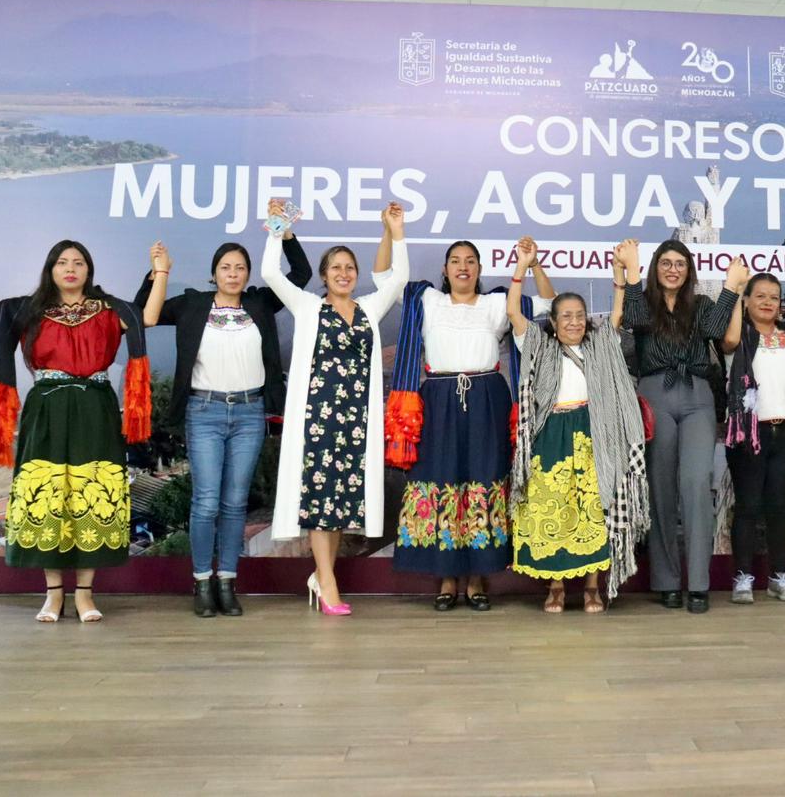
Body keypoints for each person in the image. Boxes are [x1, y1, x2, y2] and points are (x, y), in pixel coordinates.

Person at [0, 239, 169, 622]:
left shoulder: (107, 309)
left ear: (88, 270)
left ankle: (84, 594)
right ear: (51, 269)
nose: (70, 268)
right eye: (62, 262)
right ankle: (53, 595)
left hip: (95, 408)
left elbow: (146, 317)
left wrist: (162, 271)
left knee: (92, 492)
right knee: (47, 494)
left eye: (78, 262)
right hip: (45, 408)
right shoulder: (30, 310)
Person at [135, 199, 311, 617]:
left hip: (250, 413)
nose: (233, 274)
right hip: (205, 412)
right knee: (207, 500)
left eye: (240, 268)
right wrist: (158, 271)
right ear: (214, 272)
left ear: (248, 275)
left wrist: (284, 232)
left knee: (234, 503)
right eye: (226, 268)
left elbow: (301, 276)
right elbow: (148, 313)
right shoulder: (194, 304)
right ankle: (201, 582)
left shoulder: (260, 304)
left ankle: (228, 581)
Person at [382, 232, 556, 611]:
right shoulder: (426, 300)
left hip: (486, 398)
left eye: (470, 261)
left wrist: (534, 263)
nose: (463, 267)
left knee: (483, 476)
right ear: (445, 270)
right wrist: (391, 233)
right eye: (456, 261)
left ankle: (478, 578)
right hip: (438, 400)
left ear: (479, 269)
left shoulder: (497, 304)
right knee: (441, 478)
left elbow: (548, 303)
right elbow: (383, 278)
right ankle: (447, 578)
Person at [263, 203, 408, 615]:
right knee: (319, 502)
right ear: (324, 275)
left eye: (350, 268)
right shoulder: (308, 307)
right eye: (336, 268)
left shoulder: (367, 310)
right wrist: (278, 229)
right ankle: (326, 580)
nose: (344, 273)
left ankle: (322, 576)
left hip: (357, 423)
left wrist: (395, 231)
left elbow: (397, 279)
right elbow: (272, 274)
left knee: (341, 503)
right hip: (317, 420)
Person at [507, 238, 650, 613]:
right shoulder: (538, 345)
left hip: (594, 434)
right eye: (565, 316)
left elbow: (617, 313)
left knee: (594, 509)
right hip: (551, 434)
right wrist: (523, 267)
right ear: (553, 324)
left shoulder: (600, 344)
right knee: (553, 507)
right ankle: (555, 587)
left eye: (579, 315)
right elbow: (513, 313)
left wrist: (618, 274)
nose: (574, 321)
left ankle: (591, 588)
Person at [616, 238, 748, 614]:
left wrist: (731, 285)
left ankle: (700, 584)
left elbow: (718, 331)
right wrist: (632, 268)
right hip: (655, 391)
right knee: (660, 486)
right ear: (656, 267)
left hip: (697, 395)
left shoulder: (700, 305)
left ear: (689, 270)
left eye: (680, 264)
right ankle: (667, 581)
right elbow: (634, 319)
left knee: (694, 482)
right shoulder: (644, 301)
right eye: (666, 263)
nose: (673, 269)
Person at [720, 272, 785, 605]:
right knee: (748, 506)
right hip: (748, 430)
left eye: (774, 297)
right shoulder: (739, 338)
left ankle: (779, 577)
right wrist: (736, 292)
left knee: (779, 507)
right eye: (760, 296)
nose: (768, 302)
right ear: (747, 301)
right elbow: (727, 341)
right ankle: (742, 577)